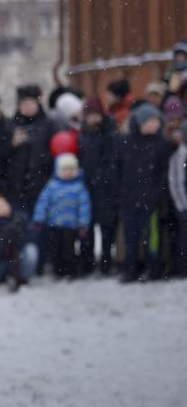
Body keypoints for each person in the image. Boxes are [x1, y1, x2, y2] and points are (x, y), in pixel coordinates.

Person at [113, 104, 175, 283]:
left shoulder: (162, 145)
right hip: (129, 199)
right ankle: (130, 269)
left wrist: (157, 195)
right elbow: (116, 170)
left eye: (156, 121)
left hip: (152, 201)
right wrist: (121, 192)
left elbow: (164, 174)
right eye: (150, 121)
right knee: (131, 238)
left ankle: (153, 269)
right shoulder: (125, 143)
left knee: (152, 238)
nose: (154, 125)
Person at [33, 153, 92, 279]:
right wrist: (39, 219)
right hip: (54, 224)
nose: (68, 172)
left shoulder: (79, 187)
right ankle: (57, 269)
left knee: (69, 250)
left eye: (71, 169)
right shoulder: (52, 185)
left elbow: (84, 206)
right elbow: (43, 202)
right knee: (54, 249)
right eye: (65, 169)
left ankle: (70, 270)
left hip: (71, 225)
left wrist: (83, 224)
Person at [79, 98, 118, 275]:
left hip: (105, 187)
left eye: (96, 115)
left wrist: (103, 177)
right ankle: (87, 263)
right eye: (91, 115)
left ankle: (106, 262)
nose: (94, 119)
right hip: (86, 186)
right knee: (87, 225)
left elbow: (112, 159)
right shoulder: (82, 134)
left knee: (106, 226)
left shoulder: (109, 133)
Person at [6, 85, 57, 212]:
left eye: (30, 103)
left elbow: (54, 153)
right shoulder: (10, 126)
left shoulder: (49, 125)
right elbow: (0, 156)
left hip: (42, 184)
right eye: (23, 103)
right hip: (16, 187)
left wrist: (42, 161)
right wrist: (11, 145)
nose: (27, 107)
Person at [0, 193, 38, 291]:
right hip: (0, 262)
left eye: (4, 204)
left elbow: (32, 237)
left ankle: (23, 278)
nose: (3, 208)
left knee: (31, 250)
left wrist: (18, 237)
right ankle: (0, 280)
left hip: (19, 258)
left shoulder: (19, 217)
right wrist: (3, 239)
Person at [167, 121, 187, 278]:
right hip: (183, 205)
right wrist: (182, 205)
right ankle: (183, 267)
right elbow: (176, 182)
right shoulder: (180, 155)